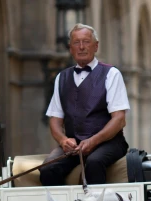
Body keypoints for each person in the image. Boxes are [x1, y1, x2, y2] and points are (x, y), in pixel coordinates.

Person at [43, 24, 130, 186]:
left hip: (109, 143)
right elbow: (55, 120)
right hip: (73, 146)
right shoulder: (61, 78)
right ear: (70, 48)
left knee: (94, 163)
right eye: (76, 42)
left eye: (86, 42)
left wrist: (94, 141)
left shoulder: (111, 74)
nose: (81, 47)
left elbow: (119, 119)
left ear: (96, 46)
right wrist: (63, 141)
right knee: (48, 169)